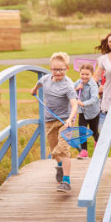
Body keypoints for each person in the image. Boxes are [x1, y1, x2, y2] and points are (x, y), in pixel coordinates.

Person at [30, 52, 78, 193]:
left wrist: (70, 119)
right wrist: (33, 90)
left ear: (66, 69)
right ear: (50, 68)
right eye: (55, 69)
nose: (58, 72)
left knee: (63, 150)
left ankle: (66, 181)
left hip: (65, 121)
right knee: (54, 151)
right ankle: (60, 166)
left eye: (61, 69)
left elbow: (74, 104)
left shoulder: (68, 85)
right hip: (50, 120)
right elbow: (39, 84)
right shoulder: (45, 79)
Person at [74, 63, 100, 159]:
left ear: (91, 74)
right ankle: (84, 151)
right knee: (82, 131)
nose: (84, 76)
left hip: (93, 112)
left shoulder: (93, 85)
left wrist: (83, 103)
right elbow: (70, 91)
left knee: (93, 131)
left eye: (87, 74)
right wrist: (76, 88)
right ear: (80, 73)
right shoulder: (78, 82)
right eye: (82, 74)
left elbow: (94, 99)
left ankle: (98, 143)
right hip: (82, 112)